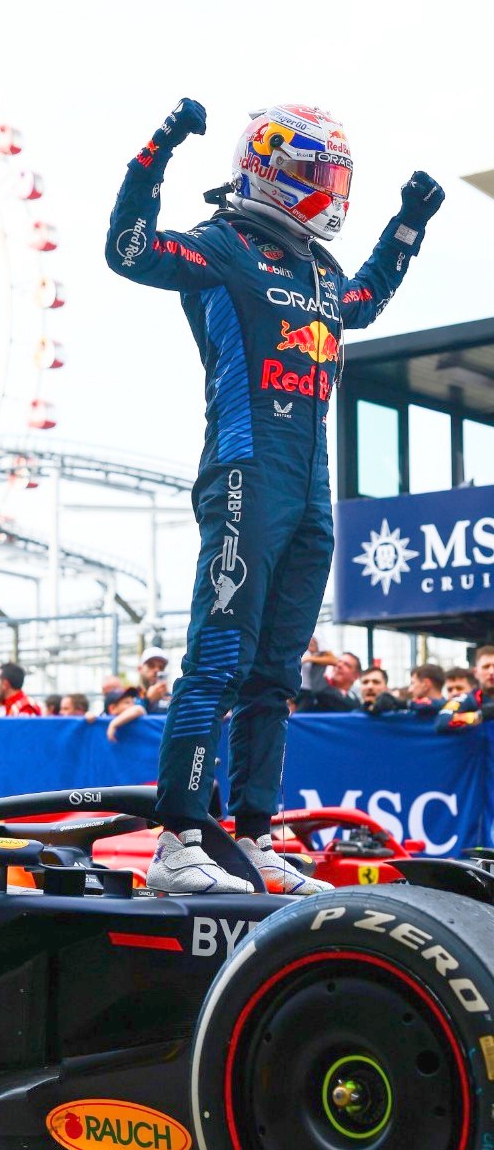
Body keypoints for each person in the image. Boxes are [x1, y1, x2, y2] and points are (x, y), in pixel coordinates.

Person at [106, 97, 443, 895]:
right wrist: (158, 149)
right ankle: (179, 840)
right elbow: (126, 251)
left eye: (334, 177)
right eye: (315, 175)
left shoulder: (323, 272)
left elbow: (361, 303)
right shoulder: (221, 247)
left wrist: (407, 228)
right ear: (271, 170)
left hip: (309, 490)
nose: (328, 189)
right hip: (244, 473)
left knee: (276, 673)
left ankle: (255, 836)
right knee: (219, 657)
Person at [437, 646, 494, 732]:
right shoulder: (467, 699)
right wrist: (479, 715)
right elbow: (442, 722)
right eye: (486, 667)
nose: (491, 672)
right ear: (476, 672)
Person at [137, 647, 170, 712]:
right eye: (151, 665)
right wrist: (147, 700)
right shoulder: (130, 696)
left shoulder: (171, 699)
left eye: (161, 667)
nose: (157, 670)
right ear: (140, 669)